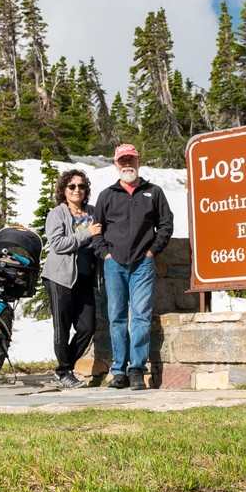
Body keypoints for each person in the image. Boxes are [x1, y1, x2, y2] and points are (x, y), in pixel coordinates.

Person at [92, 143, 174, 390]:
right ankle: (119, 371)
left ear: (139, 162)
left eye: (131, 159)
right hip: (114, 264)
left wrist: (151, 252)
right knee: (116, 317)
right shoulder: (107, 195)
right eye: (123, 160)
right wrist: (105, 254)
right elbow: (97, 230)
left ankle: (136, 369)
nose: (127, 164)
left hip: (142, 265)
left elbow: (166, 225)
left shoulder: (154, 192)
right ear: (116, 164)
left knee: (140, 317)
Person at [41, 169, 101, 389]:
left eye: (81, 186)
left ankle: (61, 371)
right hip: (59, 278)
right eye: (72, 186)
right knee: (62, 327)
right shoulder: (57, 213)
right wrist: (88, 233)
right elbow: (57, 244)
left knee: (87, 327)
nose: (77, 190)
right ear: (64, 190)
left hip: (85, 278)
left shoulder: (93, 212)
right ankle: (65, 372)